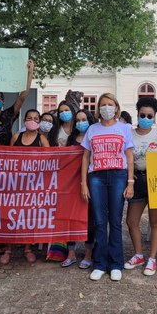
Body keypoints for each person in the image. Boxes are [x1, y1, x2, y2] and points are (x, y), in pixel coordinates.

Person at [81, 93, 134, 281]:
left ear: (116, 107)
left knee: (115, 221)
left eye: (110, 104)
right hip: (97, 177)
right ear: (98, 109)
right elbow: (86, 157)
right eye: (103, 105)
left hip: (119, 175)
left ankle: (116, 263)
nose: (106, 108)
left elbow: (129, 156)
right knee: (100, 221)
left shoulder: (125, 128)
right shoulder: (92, 129)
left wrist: (130, 183)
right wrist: (83, 184)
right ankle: (100, 263)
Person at [124, 97, 157, 276]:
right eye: (142, 114)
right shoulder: (128, 133)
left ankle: (152, 259)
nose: (145, 117)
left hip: (156, 181)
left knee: (155, 222)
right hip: (136, 180)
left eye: (149, 115)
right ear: (137, 115)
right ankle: (138, 255)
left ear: (154, 117)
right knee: (131, 221)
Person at [0, 109, 49, 265]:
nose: (32, 121)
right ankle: (8, 249)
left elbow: (50, 160)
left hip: (33, 185)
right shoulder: (17, 136)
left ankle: (27, 248)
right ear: (24, 120)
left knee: (28, 217)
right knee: (10, 216)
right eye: (29, 118)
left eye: (35, 118)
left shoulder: (42, 139)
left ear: (39, 122)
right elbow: (8, 158)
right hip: (14, 183)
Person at [61, 109, 96, 269]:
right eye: (78, 120)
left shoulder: (95, 137)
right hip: (72, 184)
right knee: (71, 217)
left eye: (84, 119)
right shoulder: (71, 139)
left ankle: (88, 253)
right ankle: (71, 253)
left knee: (90, 218)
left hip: (92, 181)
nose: (81, 122)